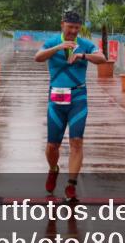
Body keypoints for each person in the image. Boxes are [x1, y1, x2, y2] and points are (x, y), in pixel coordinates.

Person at [34, 11, 106, 200]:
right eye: (70, 27)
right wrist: (58, 47)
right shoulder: (52, 42)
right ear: (62, 25)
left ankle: (71, 185)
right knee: (52, 145)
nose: (73, 31)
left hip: (78, 97)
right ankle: (53, 169)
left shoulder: (85, 44)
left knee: (76, 142)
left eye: (77, 28)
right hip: (56, 99)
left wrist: (83, 56)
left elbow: (102, 58)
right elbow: (38, 57)